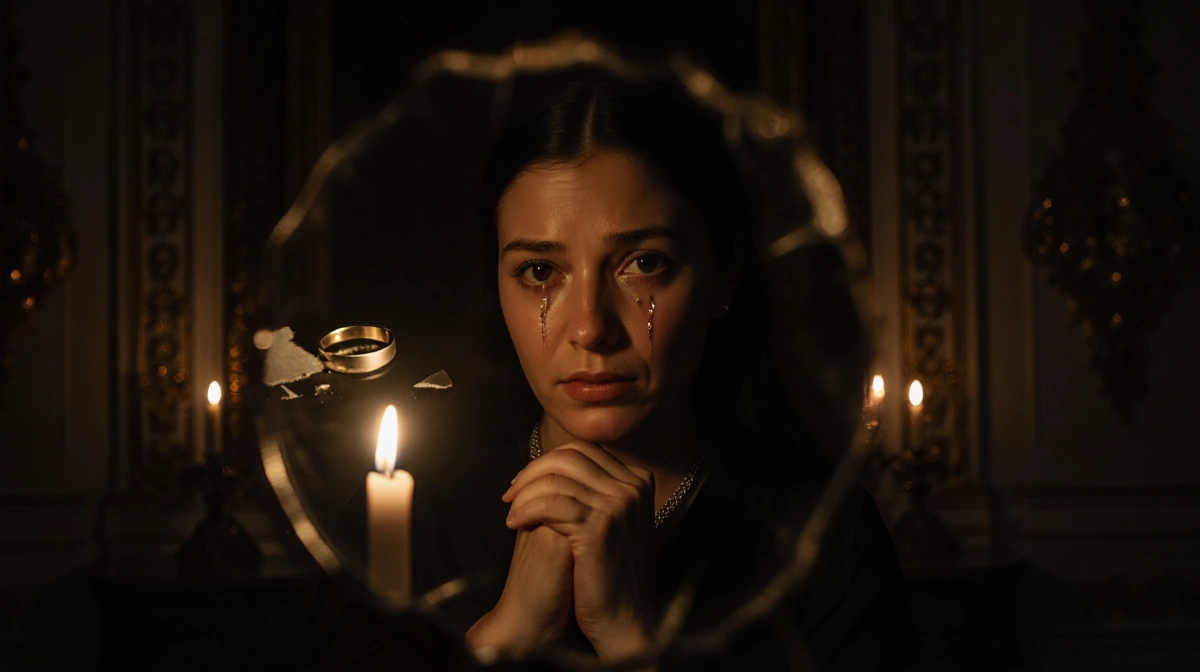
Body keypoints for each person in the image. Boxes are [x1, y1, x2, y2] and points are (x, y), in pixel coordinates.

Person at [399, 73, 920, 670]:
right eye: (541, 272)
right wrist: (505, 637)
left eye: (643, 263)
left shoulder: (824, 538)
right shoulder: (405, 518)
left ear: (723, 275)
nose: (591, 327)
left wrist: (635, 643)